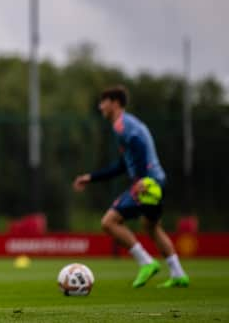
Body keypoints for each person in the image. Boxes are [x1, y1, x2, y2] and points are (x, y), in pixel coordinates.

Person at [73, 85, 189, 288]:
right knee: (151, 227)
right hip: (157, 181)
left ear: (115, 103)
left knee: (109, 222)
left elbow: (139, 146)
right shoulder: (129, 123)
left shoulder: (122, 125)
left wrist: (143, 179)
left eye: (103, 102)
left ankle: (146, 262)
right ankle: (178, 273)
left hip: (147, 183)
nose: (100, 107)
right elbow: (122, 165)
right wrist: (91, 178)